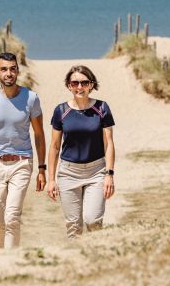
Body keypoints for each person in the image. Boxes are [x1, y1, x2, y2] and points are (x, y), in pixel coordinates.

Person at [0, 52, 47, 248]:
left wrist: (42, 168)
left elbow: (39, 134)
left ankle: (10, 261)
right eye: (4, 69)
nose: (9, 73)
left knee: (12, 217)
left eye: (13, 69)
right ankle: (3, 257)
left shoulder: (31, 98)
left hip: (22, 162)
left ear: (18, 71)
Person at [46, 65, 116, 238]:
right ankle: (76, 263)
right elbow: (54, 146)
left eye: (84, 83)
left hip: (96, 171)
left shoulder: (102, 108)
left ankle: (96, 259)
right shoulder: (61, 111)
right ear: (69, 85)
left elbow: (109, 143)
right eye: (75, 82)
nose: (79, 87)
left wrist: (109, 174)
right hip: (68, 173)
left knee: (93, 221)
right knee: (73, 227)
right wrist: (51, 180)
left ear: (91, 85)